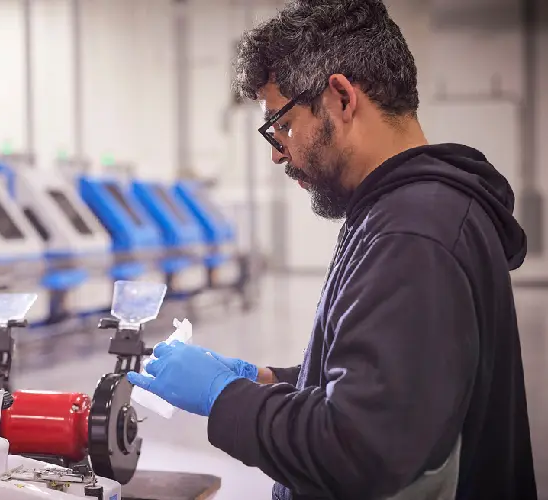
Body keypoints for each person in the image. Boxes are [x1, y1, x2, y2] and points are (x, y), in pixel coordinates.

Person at [126, 1, 538, 499]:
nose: (277, 151)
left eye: (281, 124)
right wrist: (268, 379)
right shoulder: (403, 211)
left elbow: (360, 448)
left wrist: (224, 398)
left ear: (341, 97)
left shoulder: (412, 233)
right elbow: (400, 384)